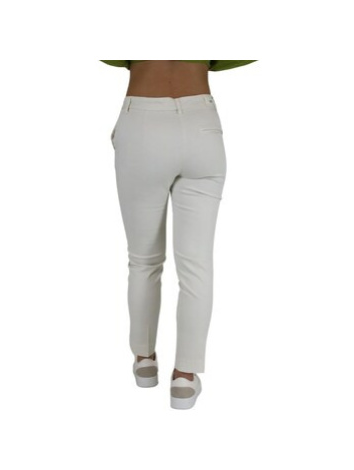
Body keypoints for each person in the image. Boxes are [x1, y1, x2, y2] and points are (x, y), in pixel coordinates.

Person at [101, 60, 257, 409]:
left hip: (143, 121)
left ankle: (144, 360)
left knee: (143, 260)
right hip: (202, 123)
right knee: (197, 265)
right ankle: (184, 378)